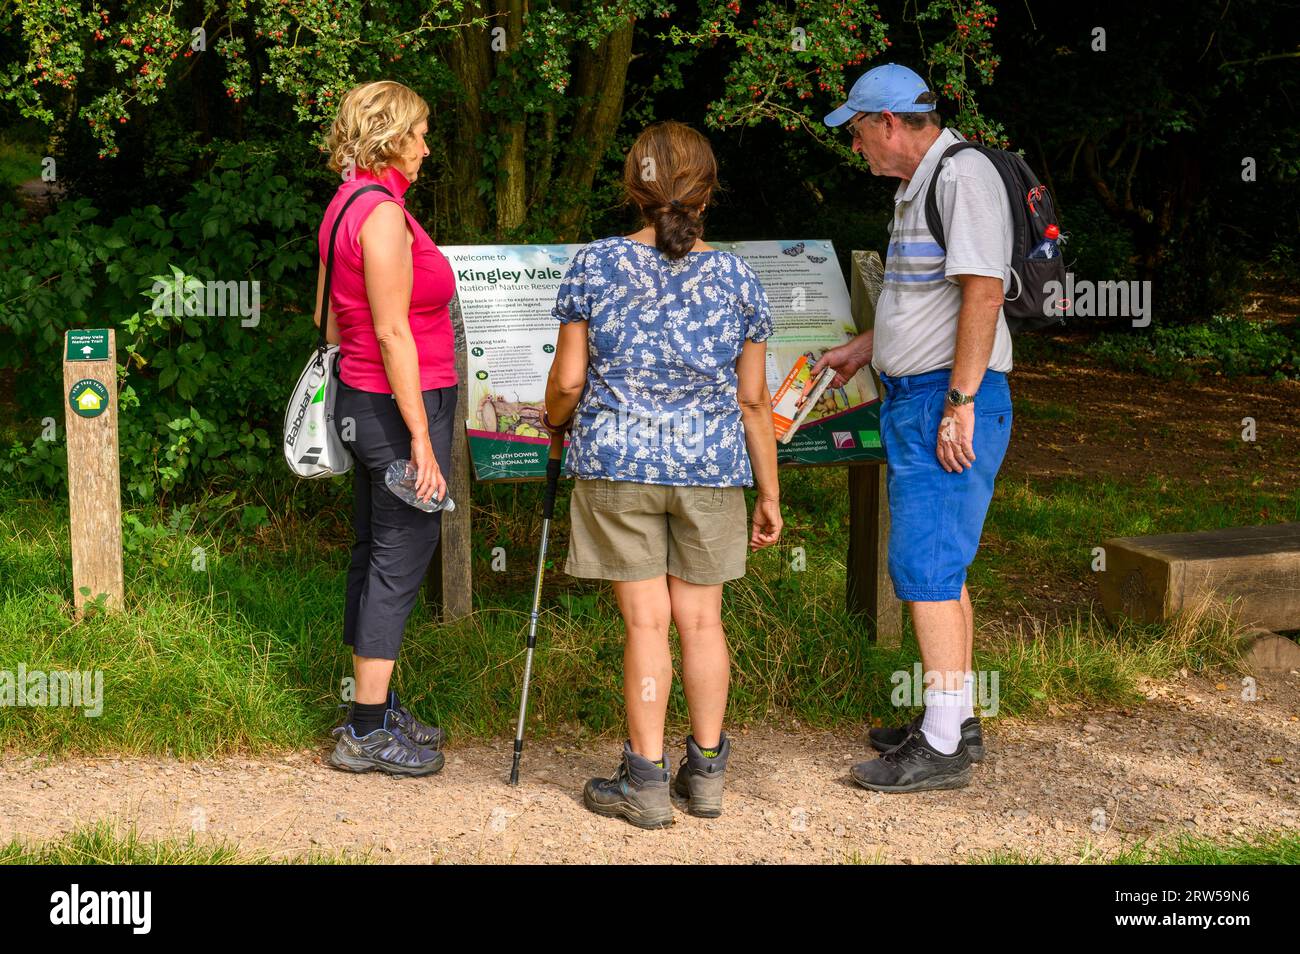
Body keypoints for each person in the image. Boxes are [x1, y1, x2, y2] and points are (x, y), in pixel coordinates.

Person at [542, 120, 783, 828]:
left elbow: (569, 380)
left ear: (634, 188)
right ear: (707, 194)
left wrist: (555, 420)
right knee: (702, 622)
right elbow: (753, 399)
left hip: (619, 463)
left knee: (646, 623)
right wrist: (768, 491)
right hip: (711, 468)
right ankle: (705, 777)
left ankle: (644, 784)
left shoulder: (595, 265)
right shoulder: (738, 278)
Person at [815, 64, 1014, 792]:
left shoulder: (960, 179)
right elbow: (927, 302)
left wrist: (959, 401)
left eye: (860, 130)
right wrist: (865, 349)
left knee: (923, 568)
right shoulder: (921, 186)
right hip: (924, 394)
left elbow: (984, 293)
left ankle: (939, 745)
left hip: (944, 400)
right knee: (941, 564)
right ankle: (954, 719)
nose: (858, 145)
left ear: (891, 123)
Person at [314, 80, 457, 777]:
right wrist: (421, 441)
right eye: (419, 134)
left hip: (361, 398)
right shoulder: (384, 220)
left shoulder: (348, 203)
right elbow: (394, 331)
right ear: (389, 137)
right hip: (398, 406)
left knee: (375, 551)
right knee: (401, 555)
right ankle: (366, 732)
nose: (427, 147)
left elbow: (335, 319)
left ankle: (371, 705)